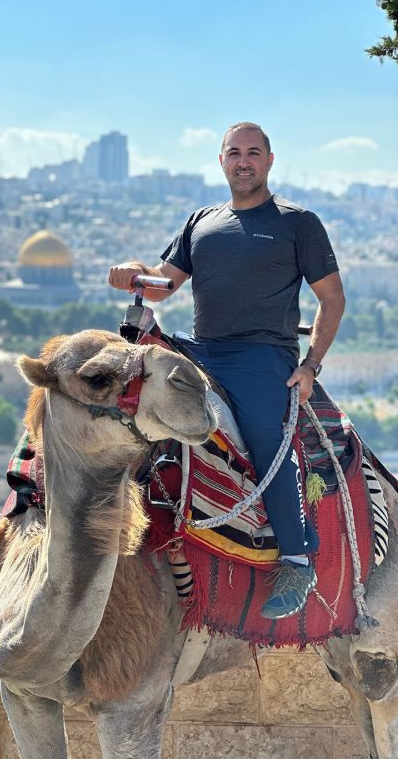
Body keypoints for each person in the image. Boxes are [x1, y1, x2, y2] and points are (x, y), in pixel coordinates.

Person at [108, 122, 345, 620]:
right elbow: (161, 286)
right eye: (234, 152)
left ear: (269, 160)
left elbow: (331, 298)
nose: (244, 161)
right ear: (221, 160)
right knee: (122, 387)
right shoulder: (202, 221)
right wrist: (132, 273)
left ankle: (297, 558)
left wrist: (310, 366)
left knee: (265, 433)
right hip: (202, 349)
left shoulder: (297, 223)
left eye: (253, 153)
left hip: (261, 354)